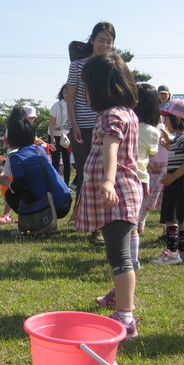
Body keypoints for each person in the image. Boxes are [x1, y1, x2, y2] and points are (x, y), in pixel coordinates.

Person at [74, 53, 141, 339]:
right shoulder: (128, 112)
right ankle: (118, 295)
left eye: (87, 85)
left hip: (118, 193)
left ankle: (126, 318)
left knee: (119, 256)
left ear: (99, 88)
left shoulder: (110, 115)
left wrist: (108, 182)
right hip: (127, 192)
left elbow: (110, 149)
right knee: (121, 250)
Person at [66, 22, 116, 245]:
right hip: (83, 127)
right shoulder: (78, 65)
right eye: (101, 40)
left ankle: (100, 225)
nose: (105, 45)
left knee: (104, 173)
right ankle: (85, 218)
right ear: (92, 40)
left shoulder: (112, 65)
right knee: (86, 174)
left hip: (106, 126)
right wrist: (74, 125)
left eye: (109, 41)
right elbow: (70, 97)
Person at [0, 106, 71, 232]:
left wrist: (6, 182)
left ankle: (34, 222)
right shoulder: (39, 150)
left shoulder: (16, 157)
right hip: (64, 202)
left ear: (13, 138)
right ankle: (48, 222)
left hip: (52, 205)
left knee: (10, 194)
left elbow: (19, 186)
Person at [152, 99, 184, 265]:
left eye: (167, 118)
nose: (164, 121)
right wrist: (167, 144)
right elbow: (179, 152)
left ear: (177, 119)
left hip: (179, 181)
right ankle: (183, 251)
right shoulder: (179, 138)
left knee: (171, 217)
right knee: (182, 217)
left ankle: (171, 254)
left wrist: (173, 177)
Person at [127, 84, 160, 269]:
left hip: (122, 176)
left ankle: (122, 258)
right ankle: (133, 259)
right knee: (134, 221)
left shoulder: (126, 123)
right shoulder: (153, 132)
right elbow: (152, 154)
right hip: (141, 179)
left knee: (122, 222)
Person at [48, 84, 72, 186]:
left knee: (67, 161)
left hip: (66, 135)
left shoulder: (73, 105)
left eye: (69, 92)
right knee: (56, 160)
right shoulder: (56, 106)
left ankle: (66, 184)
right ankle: (55, 184)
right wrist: (52, 138)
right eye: (65, 92)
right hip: (54, 134)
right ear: (62, 93)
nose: (67, 94)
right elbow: (51, 124)